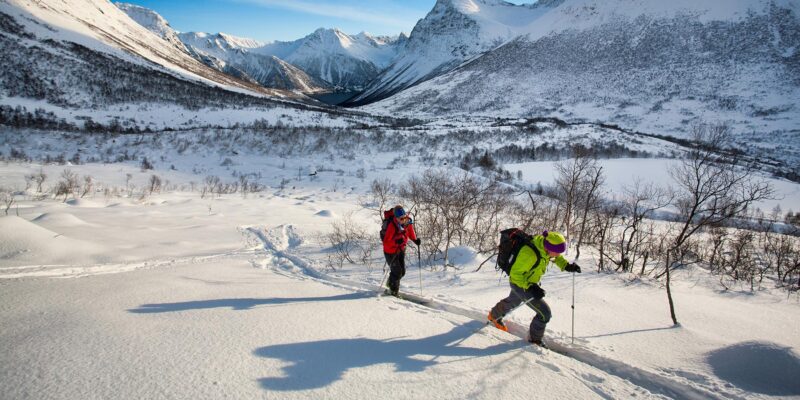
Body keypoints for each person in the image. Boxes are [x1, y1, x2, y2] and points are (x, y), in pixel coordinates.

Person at [488, 230, 581, 347]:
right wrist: (531, 287)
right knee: (544, 314)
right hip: (521, 284)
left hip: (526, 283)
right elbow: (515, 275)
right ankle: (534, 340)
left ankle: (494, 315)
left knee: (514, 300)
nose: (558, 255)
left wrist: (566, 265)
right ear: (548, 247)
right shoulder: (529, 254)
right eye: (557, 252)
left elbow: (556, 257)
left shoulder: (544, 247)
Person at [382, 205, 420, 296]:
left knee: (402, 272)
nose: (403, 220)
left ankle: (390, 282)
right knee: (397, 272)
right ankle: (393, 291)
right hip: (390, 252)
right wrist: (396, 242)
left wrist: (415, 240)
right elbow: (386, 242)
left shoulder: (407, 222)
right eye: (401, 219)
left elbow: (410, 232)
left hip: (401, 249)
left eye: (404, 217)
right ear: (396, 218)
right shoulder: (392, 226)